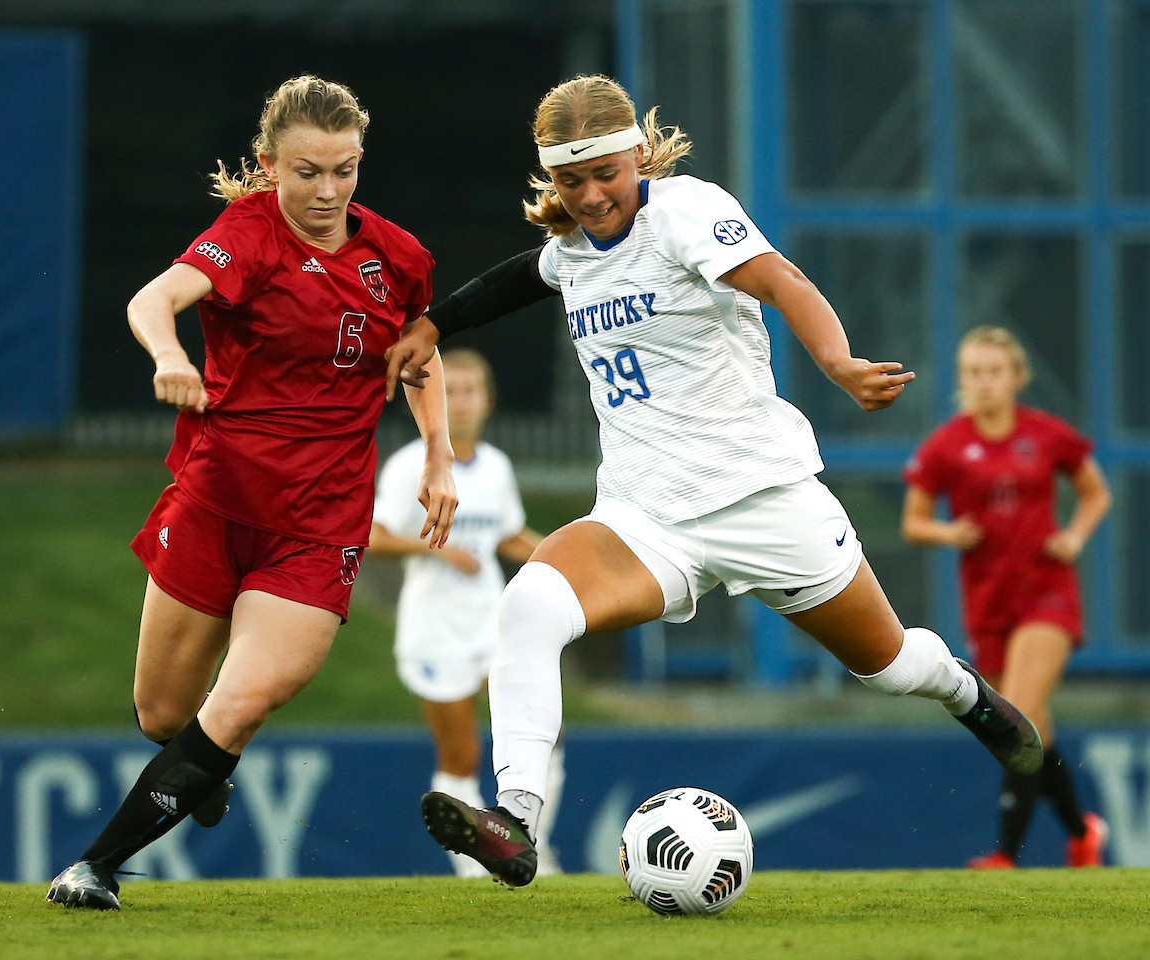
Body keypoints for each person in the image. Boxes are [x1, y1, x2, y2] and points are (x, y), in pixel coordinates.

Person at [384, 74, 1044, 887]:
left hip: (764, 499)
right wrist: (434, 324)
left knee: (889, 665)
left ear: (636, 155)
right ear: (551, 176)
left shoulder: (685, 210)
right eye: (570, 179)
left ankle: (964, 693)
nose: (591, 196)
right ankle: (515, 819)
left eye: (606, 174)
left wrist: (837, 363)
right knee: (528, 605)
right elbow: (524, 275)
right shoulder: (571, 255)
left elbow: (782, 283)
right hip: (644, 516)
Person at [46, 75, 457, 910]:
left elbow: (418, 352)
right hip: (216, 499)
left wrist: (437, 455)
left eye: (344, 170)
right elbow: (153, 298)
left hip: (320, 522)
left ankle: (95, 866)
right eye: (307, 172)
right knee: (164, 716)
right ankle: (197, 763)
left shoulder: (398, 258)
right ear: (270, 166)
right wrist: (169, 355)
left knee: (246, 697)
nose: (327, 190)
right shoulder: (248, 233)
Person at [902, 326, 1111, 869]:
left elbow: (1095, 492)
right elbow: (914, 522)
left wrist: (1075, 536)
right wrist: (951, 533)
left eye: (994, 371)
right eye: (973, 372)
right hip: (989, 604)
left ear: (1017, 377)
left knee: (1019, 716)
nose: (984, 383)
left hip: (1047, 595)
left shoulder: (1046, 434)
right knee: (1035, 724)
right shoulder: (947, 444)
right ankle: (1082, 832)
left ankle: (1005, 854)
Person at [369, 348, 561, 878]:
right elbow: (373, 534)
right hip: (435, 630)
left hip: (492, 624)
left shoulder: (496, 467)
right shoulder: (413, 463)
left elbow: (509, 534)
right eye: (448, 391)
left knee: (545, 731)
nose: (461, 400)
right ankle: (475, 868)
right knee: (462, 755)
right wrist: (435, 548)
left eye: (471, 390)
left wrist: (566, 561)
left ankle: (528, 847)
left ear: (488, 400)